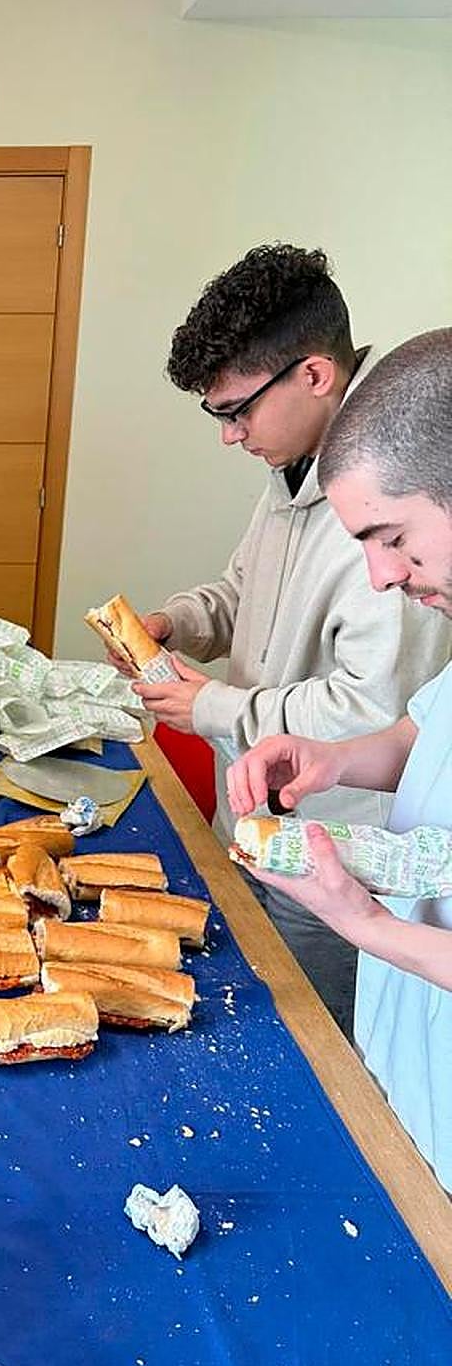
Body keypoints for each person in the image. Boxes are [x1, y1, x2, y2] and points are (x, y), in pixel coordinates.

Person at [129, 244, 449, 1035]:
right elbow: (247, 598)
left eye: (237, 411)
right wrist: (179, 622)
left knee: (322, 1048)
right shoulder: (296, 476)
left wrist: (216, 707)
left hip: (337, 852)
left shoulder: (394, 494)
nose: (230, 437)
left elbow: (374, 704)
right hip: (265, 821)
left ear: (314, 375)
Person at [228, 328, 452, 1190]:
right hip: (402, 1067)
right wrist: (330, 760)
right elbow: (419, 738)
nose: (382, 575)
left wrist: (359, 922)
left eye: (392, 537)